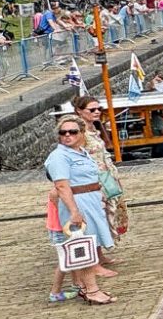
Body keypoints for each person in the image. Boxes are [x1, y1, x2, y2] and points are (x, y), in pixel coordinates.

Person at [44, 115, 118, 299]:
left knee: (89, 243)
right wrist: (74, 211)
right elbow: (61, 186)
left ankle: (85, 287)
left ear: (81, 133)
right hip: (77, 202)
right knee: (83, 245)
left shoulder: (80, 152)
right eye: (63, 132)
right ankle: (92, 290)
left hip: (89, 200)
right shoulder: (59, 156)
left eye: (72, 132)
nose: (67, 135)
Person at [70, 96, 128, 255]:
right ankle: (95, 255)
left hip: (106, 177)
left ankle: (100, 253)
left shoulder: (93, 129)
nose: (97, 112)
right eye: (92, 110)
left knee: (106, 213)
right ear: (79, 111)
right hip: (92, 180)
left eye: (98, 109)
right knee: (96, 214)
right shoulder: (79, 132)